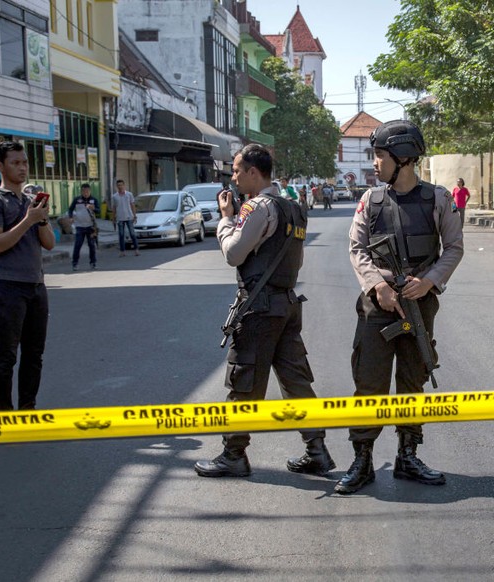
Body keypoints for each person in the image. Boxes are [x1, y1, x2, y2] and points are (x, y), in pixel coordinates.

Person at [335, 120, 464, 495]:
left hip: (419, 305)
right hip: (378, 306)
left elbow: (454, 247)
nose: (374, 163)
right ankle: (362, 459)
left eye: (379, 155)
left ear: (403, 158)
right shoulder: (370, 201)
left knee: (412, 381)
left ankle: (408, 455)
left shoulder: (438, 199)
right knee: (369, 382)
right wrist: (378, 285)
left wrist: (429, 281)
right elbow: (357, 248)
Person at [194, 144, 335, 479]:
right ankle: (317, 450)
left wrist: (227, 218)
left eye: (237, 171)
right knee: (296, 381)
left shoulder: (257, 207)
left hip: (258, 309)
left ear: (253, 172)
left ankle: (233, 455)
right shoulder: (294, 208)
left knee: (244, 385)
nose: (234, 178)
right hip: (286, 303)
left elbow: (234, 253)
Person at [0, 141, 55, 411]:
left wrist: (40, 218)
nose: (22, 168)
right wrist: (28, 220)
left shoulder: (29, 202)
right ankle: (3, 415)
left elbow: (50, 244)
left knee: (34, 354)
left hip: (36, 285)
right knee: (6, 355)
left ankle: (27, 409)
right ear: (0, 166)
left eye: (24, 162)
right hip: (6, 286)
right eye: (15, 163)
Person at [68, 183, 99, 271]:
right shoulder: (77, 200)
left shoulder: (93, 200)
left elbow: (98, 211)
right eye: (84, 191)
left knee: (91, 245)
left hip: (91, 226)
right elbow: (70, 209)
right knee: (78, 245)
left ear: (90, 191)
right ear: (81, 191)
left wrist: (93, 208)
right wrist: (70, 217)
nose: (85, 193)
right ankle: (75, 263)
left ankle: (93, 262)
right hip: (79, 226)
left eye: (87, 191)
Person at [111, 179, 140, 257]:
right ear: (116, 186)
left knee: (132, 234)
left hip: (129, 217)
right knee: (121, 234)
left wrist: (134, 215)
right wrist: (113, 217)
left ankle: (136, 249)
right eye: (118, 185)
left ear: (124, 185)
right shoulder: (115, 196)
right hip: (120, 218)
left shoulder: (129, 194)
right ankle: (122, 251)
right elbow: (114, 208)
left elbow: (132, 205)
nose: (120, 187)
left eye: (121, 185)